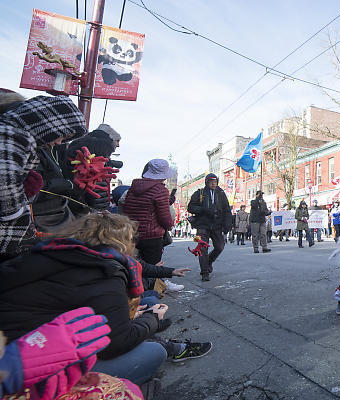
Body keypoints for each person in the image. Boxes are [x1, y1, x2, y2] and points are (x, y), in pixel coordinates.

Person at [0, 213, 212, 391]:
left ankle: (170, 345)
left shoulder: (58, 252)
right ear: (123, 242)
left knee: (147, 300)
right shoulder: (104, 270)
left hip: (21, 347)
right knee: (154, 352)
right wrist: (153, 319)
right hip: (26, 373)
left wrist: (168, 274)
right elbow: (116, 343)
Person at [1, 94, 87, 261]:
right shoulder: (15, 137)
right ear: (50, 123)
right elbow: (5, 193)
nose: (59, 142)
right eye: (63, 135)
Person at [123, 159, 176, 291]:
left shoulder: (133, 187)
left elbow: (132, 208)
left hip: (132, 233)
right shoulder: (160, 190)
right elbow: (164, 217)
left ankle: (135, 290)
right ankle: (148, 296)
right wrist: (170, 225)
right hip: (151, 236)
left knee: (134, 265)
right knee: (152, 268)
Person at [187, 173, 232, 281]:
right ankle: (204, 272)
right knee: (202, 249)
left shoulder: (221, 193)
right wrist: (203, 210)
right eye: (211, 182)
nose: (213, 184)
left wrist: (228, 224)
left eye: (215, 182)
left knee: (220, 246)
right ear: (207, 182)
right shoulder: (200, 193)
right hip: (203, 225)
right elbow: (190, 207)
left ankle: (209, 262)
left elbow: (227, 210)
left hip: (217, 225)